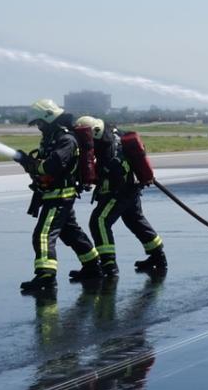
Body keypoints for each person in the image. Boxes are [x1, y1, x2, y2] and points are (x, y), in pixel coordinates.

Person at [14, 99, 101, 292]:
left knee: (43, 235)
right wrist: (27, 162)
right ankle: (93, 266)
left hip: (59, 196)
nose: (38, 127)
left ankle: (46, 276)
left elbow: (50, 166)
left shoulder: (65, 139)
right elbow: (43, 167)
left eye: (39, 123)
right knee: (70, 233)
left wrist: (28, 162)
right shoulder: (51, 137)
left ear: (48, 118)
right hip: (54, 194)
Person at [75, 116, 168, 280]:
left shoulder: (110, 146)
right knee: (135, 221)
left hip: (119, 191)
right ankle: (158, 257)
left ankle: (109, 265)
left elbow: (113, 170)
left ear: (94, 132)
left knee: (99, 221)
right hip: (130, 189)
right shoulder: (110, 136)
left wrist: (93, 177)